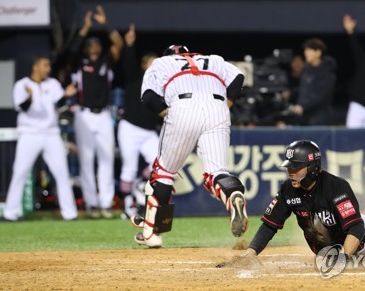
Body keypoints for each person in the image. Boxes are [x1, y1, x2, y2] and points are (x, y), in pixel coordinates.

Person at [130, 45, 248, 248]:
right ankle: (233, 195)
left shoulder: (161, 62)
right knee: (216, 172)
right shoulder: (213, 59)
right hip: (217, 108)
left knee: (164, 172)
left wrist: (171, 115)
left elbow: (148, 97)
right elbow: (239, 77)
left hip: (182, 105)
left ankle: (152, 233)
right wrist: (225, 103)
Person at [3, 56, 78, 221]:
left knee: (62, 173)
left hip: (51, 133)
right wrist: (30, 97)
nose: (48, 69)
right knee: (20, 171)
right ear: (35, 67)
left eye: (49, 66)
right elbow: (22, 107)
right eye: (45, 65)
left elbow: (59, 103)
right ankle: (10, 213)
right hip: (29, 133)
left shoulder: (52, 84)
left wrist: (66, 95)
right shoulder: (22, 84)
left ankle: (70, 213)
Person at [68, 6, 124, 218]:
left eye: (96, 45)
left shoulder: (105, 62)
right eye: (89, 45)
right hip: (83, 115)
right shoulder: (78, 63)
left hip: (103, 115)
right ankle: (91, 204)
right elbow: (71, 49)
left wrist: (106, 24)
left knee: (107, 157)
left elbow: (118, 44)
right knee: (86, 159)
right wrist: (85, 28)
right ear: (85, 49)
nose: (93, 47)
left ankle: (106, 203)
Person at [117, 24, 161, 218]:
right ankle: (127, 206)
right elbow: (127, 62)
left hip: (148, 131)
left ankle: (140, 184)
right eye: (152, 63)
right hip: (129, 127)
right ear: (144, 65)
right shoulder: (136, 77)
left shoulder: (162, 85)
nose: (155, 67)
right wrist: (129, 45)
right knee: (129, 167)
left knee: (160, 164)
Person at [289, 38, 336, 126]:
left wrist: (303, 106)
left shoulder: (326, 72)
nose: (305, 53)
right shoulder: (307, 69)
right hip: (304, 116)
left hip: (319, 117)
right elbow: (305, 90)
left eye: (309, 50)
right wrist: (291, 93)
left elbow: (321, 94)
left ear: (318, 52)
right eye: (305, 50)